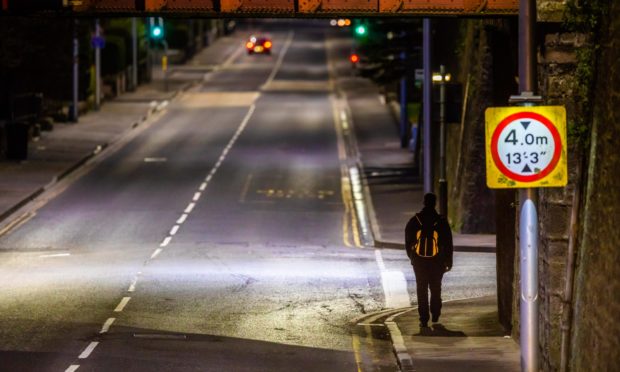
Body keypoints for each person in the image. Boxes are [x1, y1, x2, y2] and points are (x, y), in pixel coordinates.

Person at [405, 193, 453, 328]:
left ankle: (423, 318)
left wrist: (413, 257)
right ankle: (435, 312)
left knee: (421, 289)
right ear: (435, 203)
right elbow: (448, 244)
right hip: (437, 260)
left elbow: (408, 242)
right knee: (436, 288)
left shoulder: (415, 221)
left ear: (424, 202)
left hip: (419, 261)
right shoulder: (441, 222)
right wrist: (448, 261)